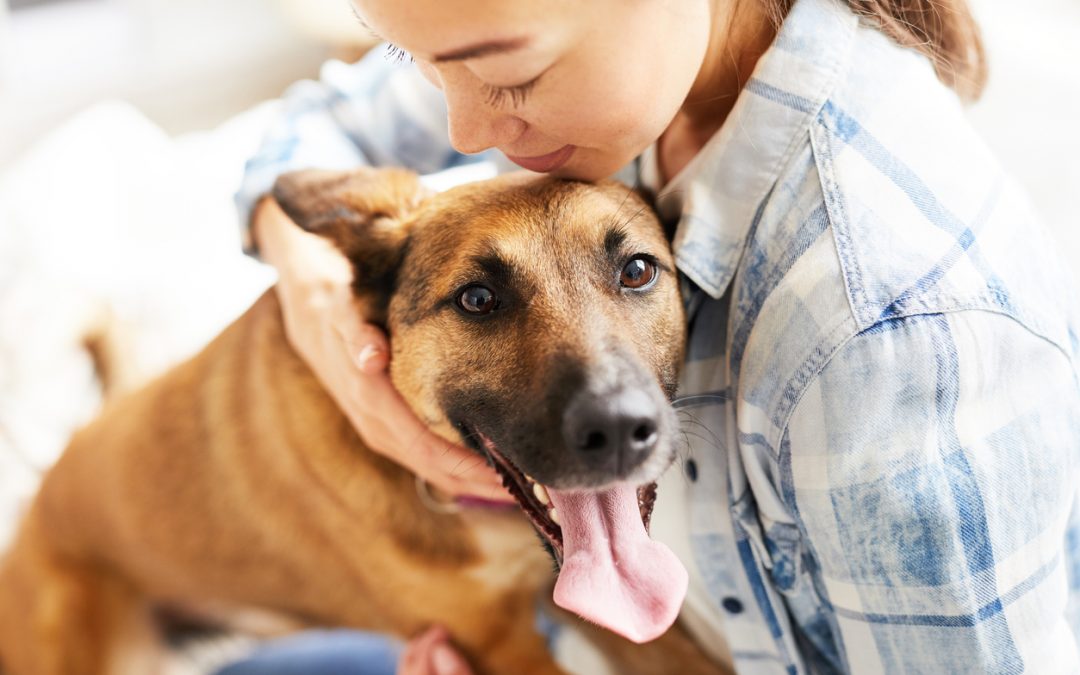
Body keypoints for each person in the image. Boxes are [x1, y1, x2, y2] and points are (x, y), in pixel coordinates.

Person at [230, 0, 1080, 672]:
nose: (464, 135)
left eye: (507, 73)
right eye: (421, 63)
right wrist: (320, 310)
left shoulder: (879, 340)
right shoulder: (571, 45)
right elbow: (296, 143)